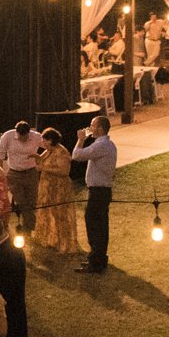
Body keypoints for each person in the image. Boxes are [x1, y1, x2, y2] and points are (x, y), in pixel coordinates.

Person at [71, 116, 117, 273]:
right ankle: (97, 259)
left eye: (92, 125)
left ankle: (96, 263)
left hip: (98, 191)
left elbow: (77, 156)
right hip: (102, 190)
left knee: (94, 226)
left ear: (100, 129)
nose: (90, 128)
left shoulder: (101, 145)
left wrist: (80, 140)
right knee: (100, 226)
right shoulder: (108, 144)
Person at [33, 129, 78, 252]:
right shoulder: (49, 151)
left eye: (45, 140)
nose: (43, 142)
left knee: (60, 216)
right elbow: (41, 160)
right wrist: (33, 155)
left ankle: (65, 244)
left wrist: (43, 168)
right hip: (48, 188)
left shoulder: (61, 152)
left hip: (59, 188)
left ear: (51, 140)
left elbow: (64, 172)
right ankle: (52, 240)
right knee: (49, 213)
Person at [0, 121, 41, 240]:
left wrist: (40, 157)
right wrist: (1, 171)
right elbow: (0, 153)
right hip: (14, 174)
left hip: (31, 172)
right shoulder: (8, 136)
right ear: (16, 133)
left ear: (29, 133)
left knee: (32, 202)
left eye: (25, 137)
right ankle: (30, 227)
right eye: (20, 137)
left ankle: (27, 231)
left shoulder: (36, 136)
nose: (23, 139)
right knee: (21, 201)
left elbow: (50, 146)